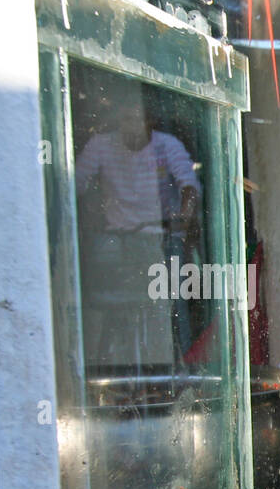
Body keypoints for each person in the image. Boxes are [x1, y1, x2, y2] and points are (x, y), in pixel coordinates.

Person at [75, 83, 201, 367]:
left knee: (174, 302)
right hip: (116, 239)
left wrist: (183, 216)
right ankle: (99, 362)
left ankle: (181, 365)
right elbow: (76, 184)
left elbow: (188, 186)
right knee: (101, 296)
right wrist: (90, 212)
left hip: (160, 238)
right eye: (125, 118)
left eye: (137, 118)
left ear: (149, 121)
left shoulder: (167, 146)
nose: (130, 126)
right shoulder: (100, 145)